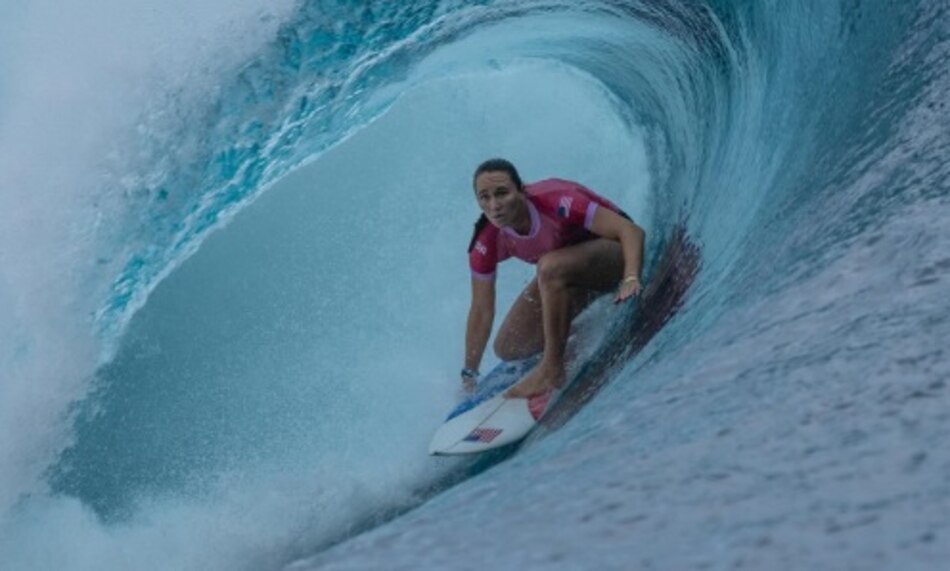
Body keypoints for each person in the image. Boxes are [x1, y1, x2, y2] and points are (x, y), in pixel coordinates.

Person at [461, 158, 646, 398]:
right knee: (509, 347)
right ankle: (565, 336)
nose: (494, 205)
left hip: (616, 257)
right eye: (484, 197)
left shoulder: (556, 201)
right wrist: (470, 372)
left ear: (521, 190)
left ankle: (551, 369)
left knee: (548, 267)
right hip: (572, 275)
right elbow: (481, 309)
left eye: (502, 193)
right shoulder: (485, 240)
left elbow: (631, 232)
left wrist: (631, 277)